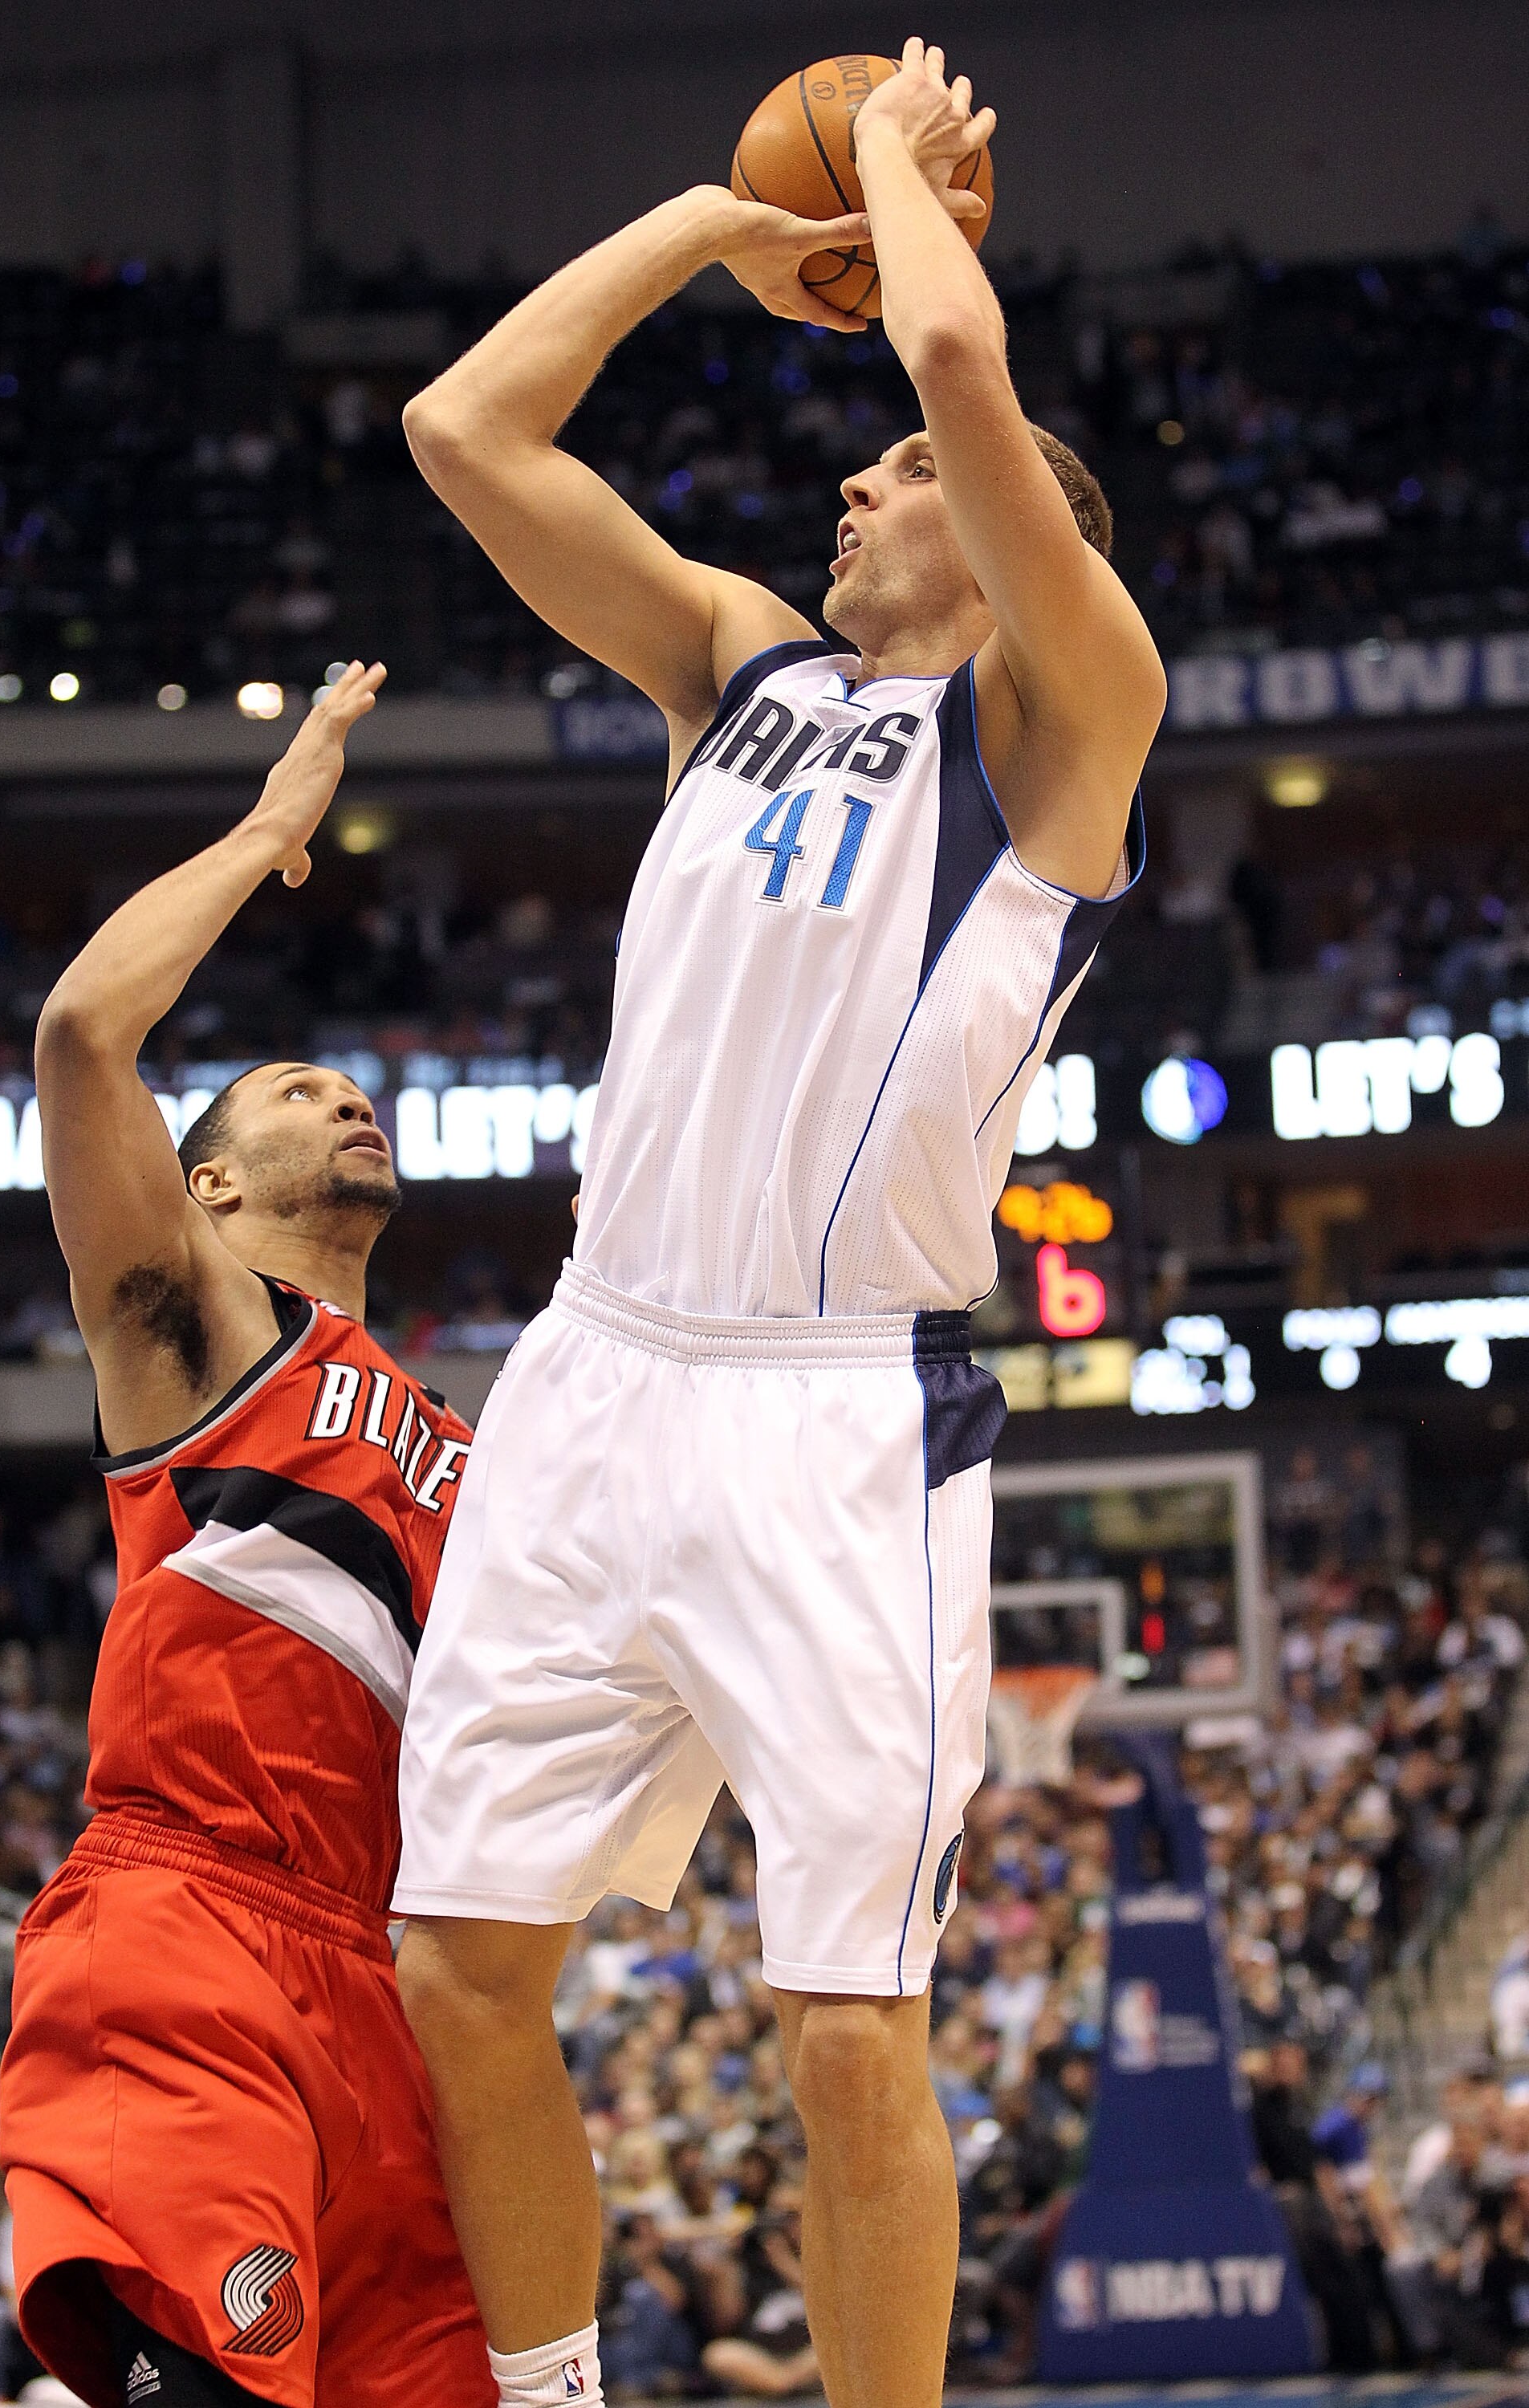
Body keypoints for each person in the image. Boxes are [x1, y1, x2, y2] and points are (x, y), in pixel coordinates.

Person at [393, 40, 1165, 2408]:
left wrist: (908, 185)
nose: (861, 466)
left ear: (1037, 530)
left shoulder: (1070, 720)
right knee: (454, 1964)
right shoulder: (736, 667)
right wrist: (721, 232)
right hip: (596, 1367)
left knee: (843, 2032)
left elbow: (951, 352)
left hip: (841, 1414)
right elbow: (467, 433)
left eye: (917, 475)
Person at [0, 666, 492, 2408]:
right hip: (188, 1921)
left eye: (355, 1090)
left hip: (386, 1982)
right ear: (203, 1186)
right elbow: (80, 1039)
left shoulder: (456, 1443)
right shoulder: (194, 1330)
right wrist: (272, 831)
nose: (345, 1102)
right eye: (295, 1091)